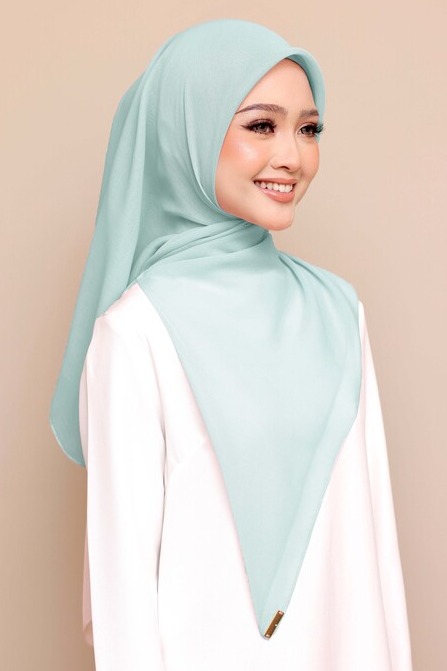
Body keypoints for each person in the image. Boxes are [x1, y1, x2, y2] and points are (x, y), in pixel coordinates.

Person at [50, 19, 413, 671]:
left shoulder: (338, 311)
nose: (292, 156)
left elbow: (373, 550)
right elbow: (124, 593)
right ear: (185, 132)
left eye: (308, 129)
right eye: (261, 125)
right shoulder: (137, 332)